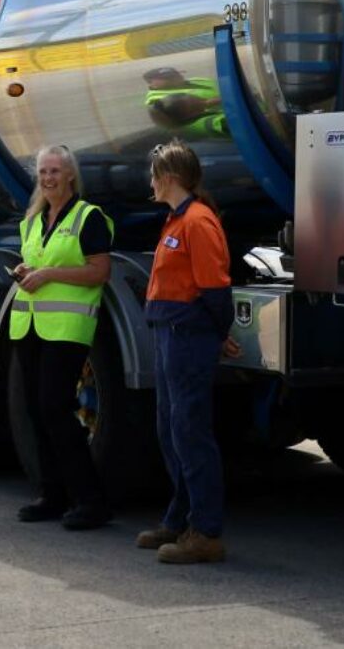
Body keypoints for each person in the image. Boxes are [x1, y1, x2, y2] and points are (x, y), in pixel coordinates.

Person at [137, 139, 238, 563]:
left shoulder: (198, 221)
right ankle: (180, 518)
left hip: (186, 336)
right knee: (170, 428)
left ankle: (206, 531)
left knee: (189, 431)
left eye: (154, 174)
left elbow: (215, 288)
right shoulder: (177, 219)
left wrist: (217, 333)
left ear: (170, 177)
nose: (151, 182)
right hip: (170, 333)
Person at [9, 145, 115, 530]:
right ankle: (51, 495)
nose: (48, 178)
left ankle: (90, 500)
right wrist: (26, 271)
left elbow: (99, 271)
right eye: (42, 172)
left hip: (67, 329)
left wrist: (48, 275)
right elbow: (39, 262)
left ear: (70, 175)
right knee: (36, 410)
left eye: (54, 171)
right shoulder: (33, 220)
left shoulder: (88, 217)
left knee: (56, 408)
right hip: (29, 325)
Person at [143, 67, 230, 139]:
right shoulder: (158, 100)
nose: (177, 77)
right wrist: (208, 103)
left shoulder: (196, 80)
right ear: (151, 83)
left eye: (177, 74)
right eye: (169, 77)